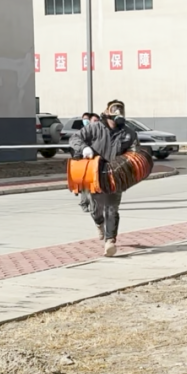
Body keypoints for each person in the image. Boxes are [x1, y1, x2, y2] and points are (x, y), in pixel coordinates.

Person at [69, 100, 138, 257]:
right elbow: (74, 138)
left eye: (120, 112)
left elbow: (134, 152)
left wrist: (131, 165)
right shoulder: (94, 128)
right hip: (95, 175)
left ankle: (110, 241)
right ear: (107, 114)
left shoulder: (128, 133)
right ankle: (99, 222)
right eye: (114, 113)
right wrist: (84, 148)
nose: (117, 118)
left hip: (116, 176)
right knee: (96, 207)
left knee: (112, 209)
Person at [76, 113, 103, 214]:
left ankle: (92, 205)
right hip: (85, 162)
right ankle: (86, 204)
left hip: (96, 162)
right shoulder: (83, 132)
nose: (96, 123)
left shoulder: (100, 133)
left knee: (94, 185)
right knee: (87, 185)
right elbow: (77, 145)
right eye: (94, 121)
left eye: (98, 121)